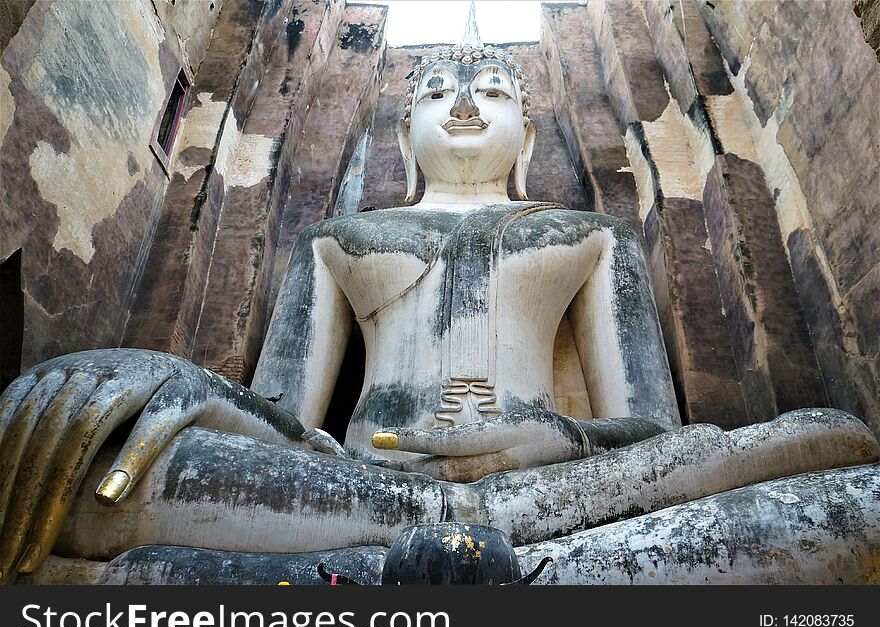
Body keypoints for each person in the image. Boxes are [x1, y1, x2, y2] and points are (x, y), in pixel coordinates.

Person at [0, 40, 876, 585]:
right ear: (401, 133)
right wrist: (173, 379)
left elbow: (649, 430)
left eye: (493, 90)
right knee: (81, 471)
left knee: (855, 492)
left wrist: (560, 442)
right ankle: (543, 578)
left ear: (526, 138)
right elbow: (279, 428)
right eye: (436, 93)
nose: (462, 104)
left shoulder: (591, 235)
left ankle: (355, 585)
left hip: (561, 490)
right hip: (359, 489)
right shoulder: (337, 238)